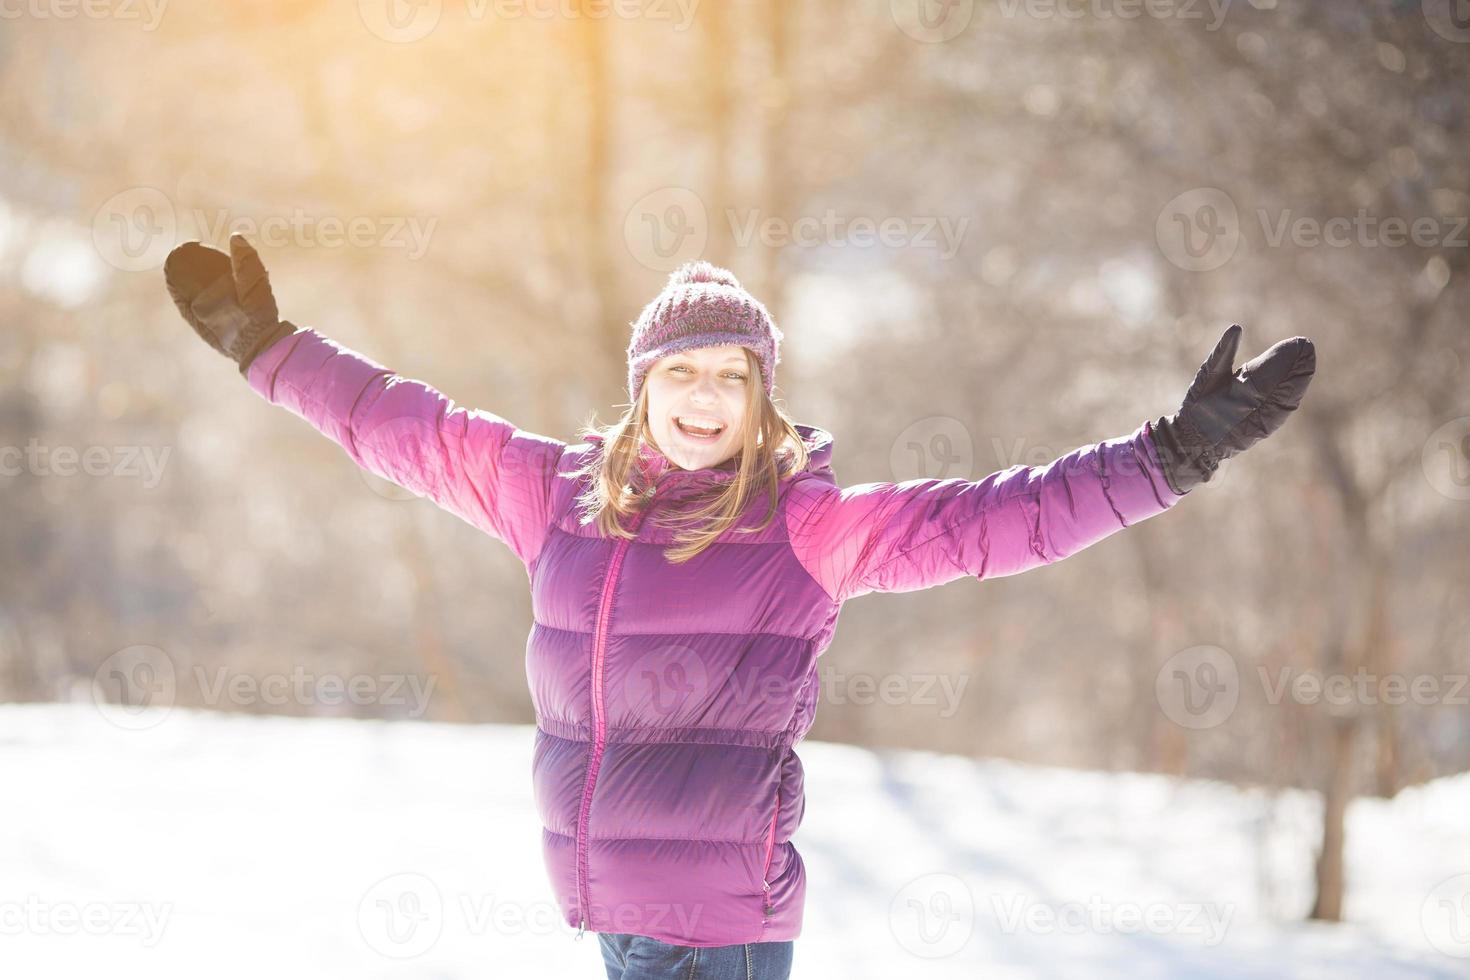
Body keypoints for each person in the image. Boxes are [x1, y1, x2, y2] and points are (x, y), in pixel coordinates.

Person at [164, 234, 1316, 980]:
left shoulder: (802, 526)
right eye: (681, 372)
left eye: (730, 376)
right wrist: (266, 346)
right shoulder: (557, 497)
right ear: (642, 388)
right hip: (613, 920)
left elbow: (992, 519)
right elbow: (401, 425)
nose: (704, 397)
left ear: (761, 397)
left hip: (725, 930)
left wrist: (1172, 455)